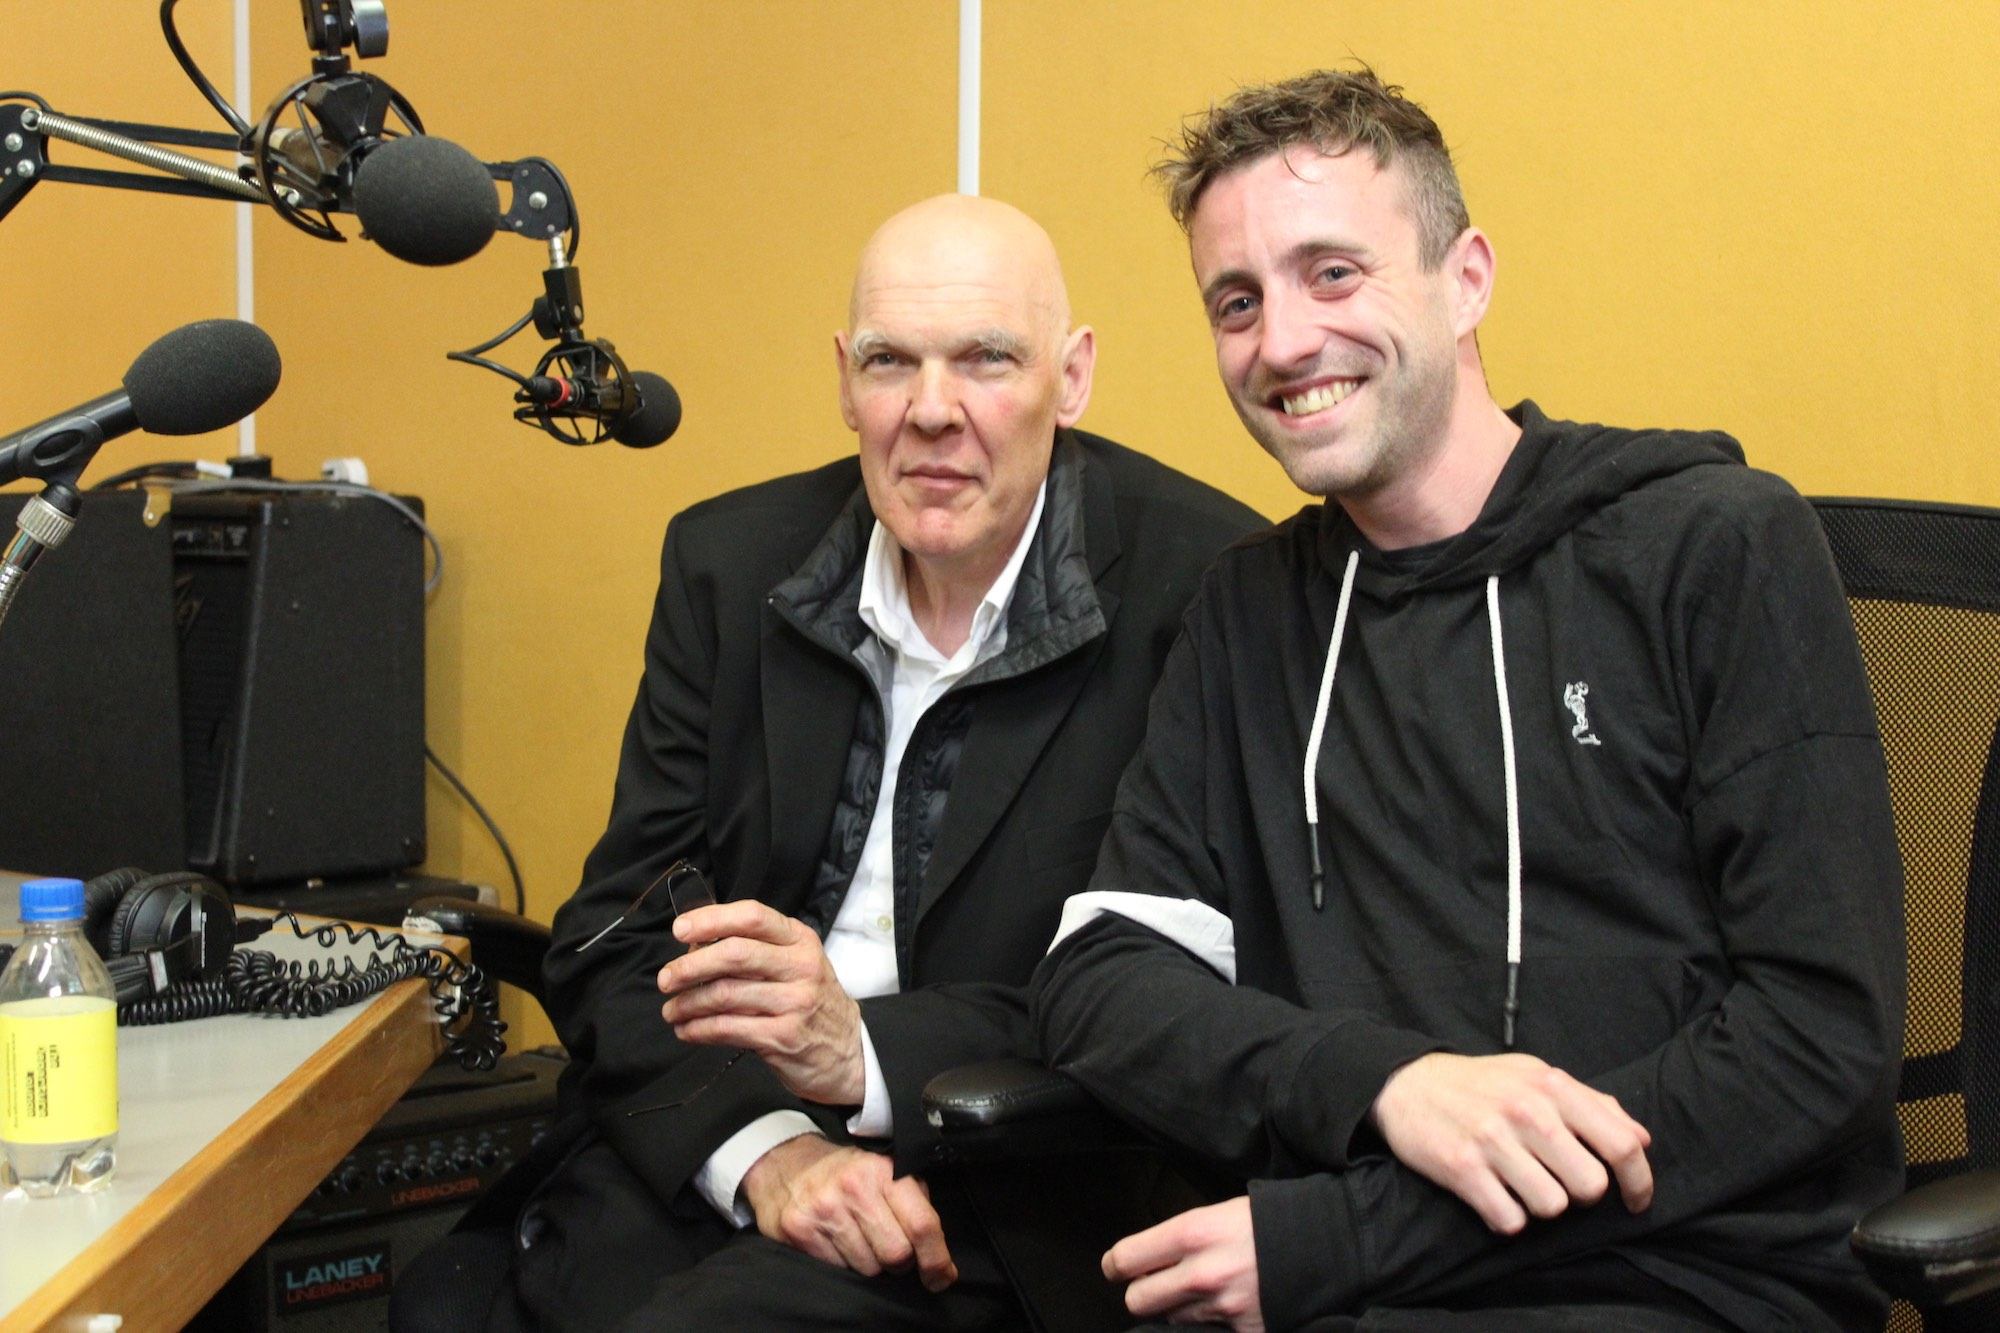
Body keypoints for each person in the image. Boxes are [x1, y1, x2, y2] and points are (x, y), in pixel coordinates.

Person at [1031, 67, 1906, 1332]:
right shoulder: (1243, 617)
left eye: (1332, 272)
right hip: (1349, 1285)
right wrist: (1385, 1085)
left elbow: (1815, 1041)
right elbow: (1099, 982)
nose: (1279, 343)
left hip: (1682, 1275)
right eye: (1235, 299)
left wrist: (1346, 1231)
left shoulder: (1709, 546)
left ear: (1466, 277)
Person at [398, 193, 1264, 1331]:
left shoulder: (1208, 587)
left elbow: (1192, 983)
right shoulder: (730, 563)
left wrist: (864, 1053)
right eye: (889, 362)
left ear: (1073, 374)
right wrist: (769, 1156)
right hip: (721, 1133)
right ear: (842, 379)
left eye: (987, 360)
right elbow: (614, 932)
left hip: (1010, 1178)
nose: (931, 411)